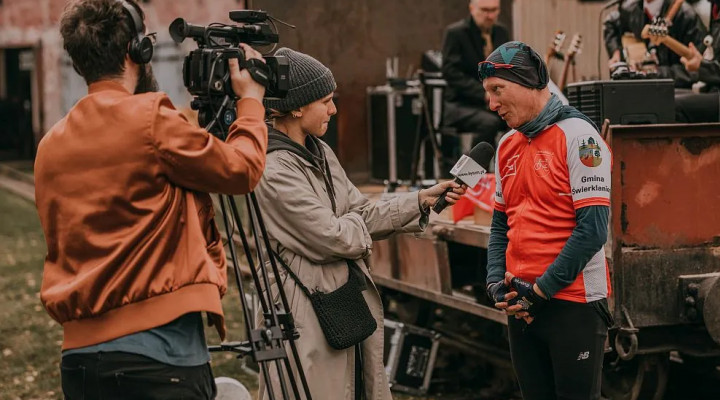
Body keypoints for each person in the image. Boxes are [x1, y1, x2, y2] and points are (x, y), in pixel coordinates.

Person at [34, 1, 269, 398]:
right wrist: (250, 101)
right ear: (137, 51)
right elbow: (240, 170)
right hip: (161, 356)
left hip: (80, 362)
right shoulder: (152, 118)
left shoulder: (49, 146)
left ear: (78, 62)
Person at [254, 48, 466, 400]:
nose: (334, 110)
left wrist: (418, 200)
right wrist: (348, 222)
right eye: (326, 100)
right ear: (296, 107)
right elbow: (334, 238)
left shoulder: (319, 151)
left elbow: (359, 214)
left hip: (340, 305)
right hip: (304, 315)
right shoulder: (273, 169)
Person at [480, 41, 614, 400]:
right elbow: (499, 225)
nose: (491, 104)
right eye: (487, 93)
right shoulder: (507, 143)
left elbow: (592, 231)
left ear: (528, 83)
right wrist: (496, 281)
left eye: (497, 90)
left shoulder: (580, 136)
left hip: (572, 303)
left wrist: (540, 292)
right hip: (522, 303)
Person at [442, 0, 511, 147]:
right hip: (461, 104)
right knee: (489, 123)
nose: (490, 15)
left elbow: (506, 68)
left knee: (519, 119)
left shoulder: (501, 32)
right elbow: (451, 72)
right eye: (485, 10)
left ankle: (509, 166)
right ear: (472, 9)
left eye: (494, 10)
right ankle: (475, 169)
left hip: (493, 103)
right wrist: (483, 93)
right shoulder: (456, 33)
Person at [604, 0, 706, 87]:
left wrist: (657, 73)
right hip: (647, 86)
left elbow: (698, 70)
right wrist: (615, 52)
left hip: (676, 89)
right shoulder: (632, 7)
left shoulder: (686, 15)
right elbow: (611, 23)